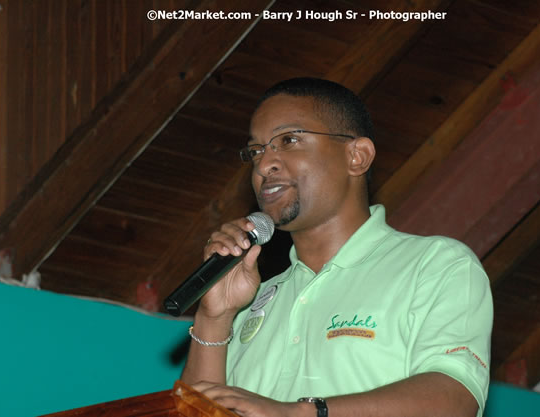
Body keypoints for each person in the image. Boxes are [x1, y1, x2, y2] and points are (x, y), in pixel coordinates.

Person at [180, 78, 493, 417]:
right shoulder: (252, 300)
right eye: (256, 151)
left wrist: (305, 412)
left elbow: (454, 397)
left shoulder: (435, 265)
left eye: (288, 140)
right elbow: (193, 413)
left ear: (356, 156)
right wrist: (216, 317)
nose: (263, 165)